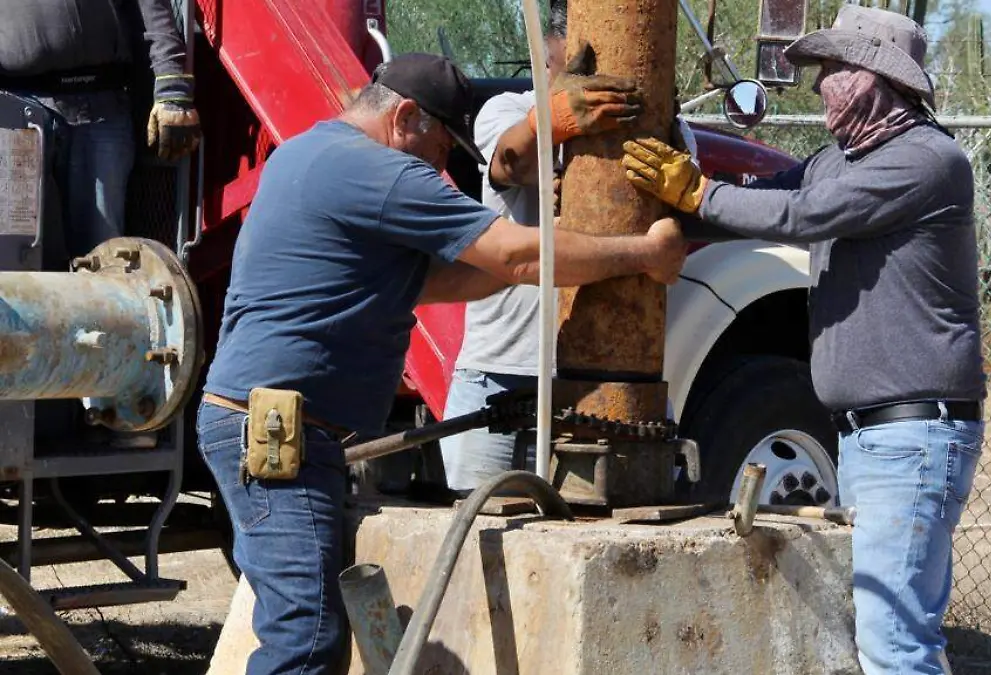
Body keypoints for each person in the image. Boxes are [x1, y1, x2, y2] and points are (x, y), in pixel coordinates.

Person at [196, 53, 686, 675]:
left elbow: (455, 279)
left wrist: (567, 241)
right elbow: (513, 260)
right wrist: (642, 252)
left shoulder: (304, 155)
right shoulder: (380, 172)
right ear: (403, 116)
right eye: (438, 148)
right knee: (304, 636)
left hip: (261, 422)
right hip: (276, 431)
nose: (441, 167)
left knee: (306, 625)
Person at [621, 6, 985, 675]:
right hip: (875, 436)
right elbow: (763, 200)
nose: (822, 85)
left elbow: (798, 216)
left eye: (836, 68)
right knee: (898, 636)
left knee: (895, 646)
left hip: (909, 438)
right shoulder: (838, 162)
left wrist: (697, 194)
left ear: (878, 79)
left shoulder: (926, 162)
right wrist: (671, 208)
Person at [440, 0, 698, 491]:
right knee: (477, 533)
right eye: (564, 66)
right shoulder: (510, 110)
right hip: (504, 372)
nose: (577, 82)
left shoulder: (668, 134)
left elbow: (678, 208)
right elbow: (509, 165)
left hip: (612, 381)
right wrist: (550, 121)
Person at [0, 0, 202, 260]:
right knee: (15, 254)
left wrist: (172, 89)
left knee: (104, 255)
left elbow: (152, 8)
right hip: (15, 111)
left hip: (101, 110)